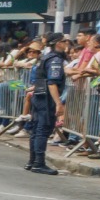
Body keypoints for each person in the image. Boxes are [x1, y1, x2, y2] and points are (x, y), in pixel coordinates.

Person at [27, 34, 69, 175]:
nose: (66, 44)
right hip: (46, 99)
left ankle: (32, 161)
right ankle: (39, 163)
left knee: (36, 130)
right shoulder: (55, 60)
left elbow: (41, 78)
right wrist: (58, 103)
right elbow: (52, 82)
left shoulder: (45, 57)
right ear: (57, 43)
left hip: (39, 96)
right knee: (43, 130)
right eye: (64, 41)